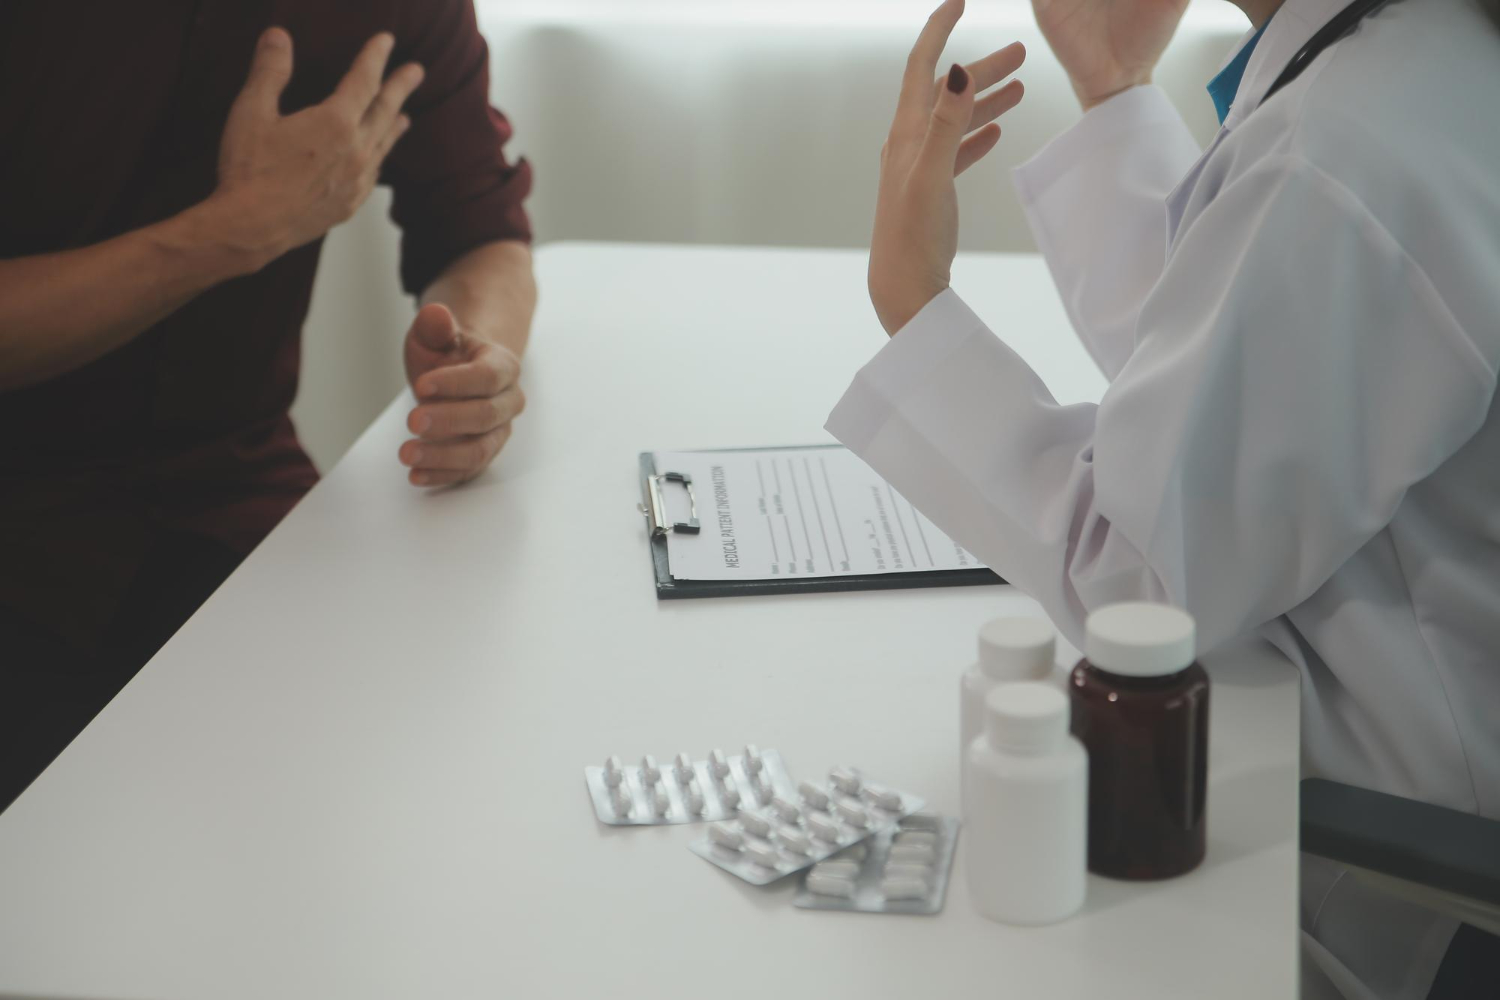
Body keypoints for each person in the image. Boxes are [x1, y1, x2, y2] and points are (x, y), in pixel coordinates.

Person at [831, 0, 1499, 995]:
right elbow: (1237, 380)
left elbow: (1142, 585)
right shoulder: (1420, 58)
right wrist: (1113, 88)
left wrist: (913, 301)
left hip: (1394, 870)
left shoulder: (1344, 149)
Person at [0, 1, 535, 810]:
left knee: (442, 772)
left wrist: (479, 362)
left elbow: (480, 230)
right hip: (24, 522)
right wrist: (226, 234)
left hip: (232, 492)